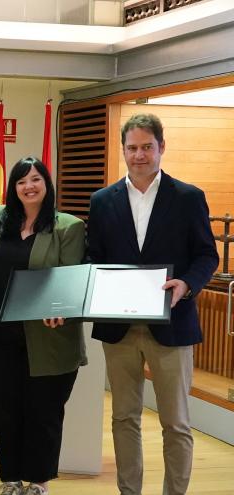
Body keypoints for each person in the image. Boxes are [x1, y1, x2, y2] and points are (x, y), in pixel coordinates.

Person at [88, 114, 218, 495]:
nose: (139, 155)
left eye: (147, 147)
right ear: (123, 150)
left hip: (173, 324)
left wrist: (187, 285)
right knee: (123, 418)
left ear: (162, 147)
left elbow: (207, 256)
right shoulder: (102, 201)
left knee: (176, 423)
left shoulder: (188, 198)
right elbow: (95, 257)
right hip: (119, 329)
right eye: (132, 148)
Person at [0, 157, 86, 495]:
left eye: (35, 179)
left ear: (47, 184)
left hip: (47, 338)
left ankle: (39, 480)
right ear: (13, 187)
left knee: (43, 413)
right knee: (3, 410)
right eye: (21, 181)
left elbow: (72, 278)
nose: (29, 186)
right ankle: (10, 478)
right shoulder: (1, 218)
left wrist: (60, 308)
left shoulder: (67, 226)